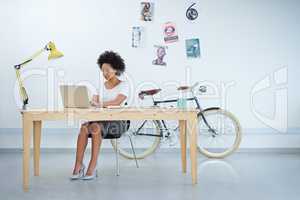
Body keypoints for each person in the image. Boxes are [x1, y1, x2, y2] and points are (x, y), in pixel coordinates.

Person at [70, 51, 129, 180]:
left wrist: (99, 104)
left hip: (117, 123)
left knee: (95, 127)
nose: (105, 73)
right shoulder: (100, 86)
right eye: (103, 70)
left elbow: (116, 102)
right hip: (99, 120)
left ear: (116, 69)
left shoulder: (124, 85)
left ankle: (93, 164)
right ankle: (78, 165)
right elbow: (94, 102)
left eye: (107, 70)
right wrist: (90, 103)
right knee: (84, 127)